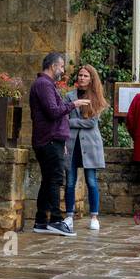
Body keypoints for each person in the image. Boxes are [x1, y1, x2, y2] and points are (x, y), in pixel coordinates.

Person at [29, 52, 89, 236]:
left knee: (48, 180)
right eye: (61, 67)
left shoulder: (48, 85)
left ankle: (40, 221)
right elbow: (53, 112)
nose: (62, 70)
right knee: (55, 179)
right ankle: (55, 219)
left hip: (53, 139)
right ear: (53, 66)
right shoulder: (43, 85)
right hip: (48, 140)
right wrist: (74, 104)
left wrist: (61, 139)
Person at [64, 64, 109, 232]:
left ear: (91, 79)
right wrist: (68, 122)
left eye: (85, 76)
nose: (81, 78)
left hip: (90, 145)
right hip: (72, 144)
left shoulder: (96, 97)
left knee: (91, 181)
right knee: (70, 182)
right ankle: (69, 215)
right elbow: (62, 117)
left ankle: (94, 216)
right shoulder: (69, 97)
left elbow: (91, 122)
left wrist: (70, 122)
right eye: (80, 75)